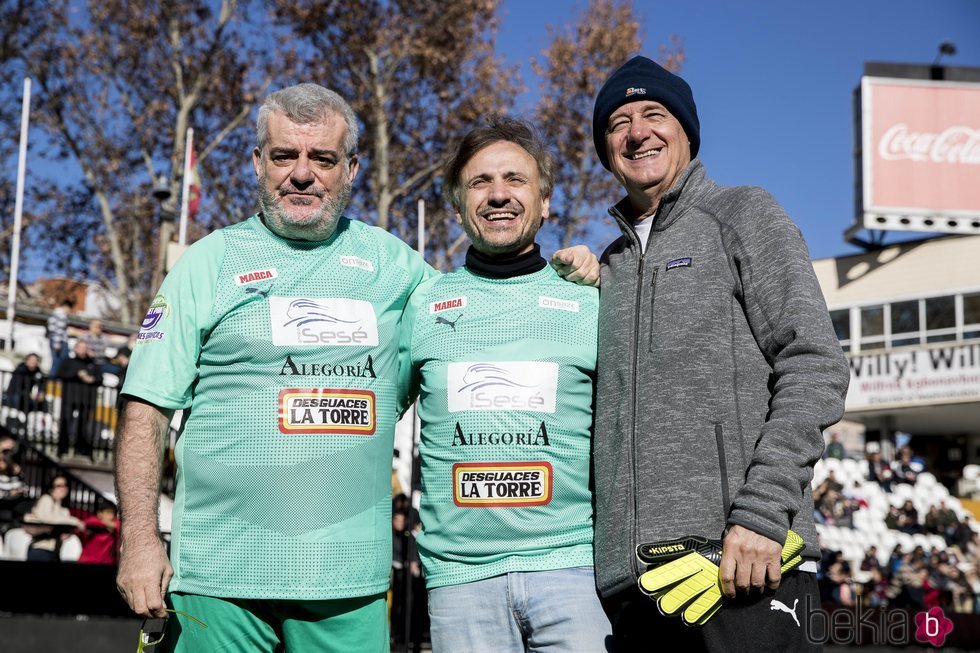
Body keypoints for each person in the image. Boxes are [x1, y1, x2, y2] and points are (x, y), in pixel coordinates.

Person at [114, 84, 596, 653]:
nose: (301, 174)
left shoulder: (400, 271)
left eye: (321, 158)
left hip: (350, 587)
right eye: (283, 156)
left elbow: (490, 304)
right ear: (257, 163)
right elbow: (145, 405)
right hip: (219, 580)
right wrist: (139, 541)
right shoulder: (206, 264)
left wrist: (578, 271)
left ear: (350, 169)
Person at [589, 56, 850, 651]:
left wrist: (760, 514)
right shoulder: (611, 264)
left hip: (742, 566)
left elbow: (814, 362)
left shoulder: (743, 214)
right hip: (634, 587)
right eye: (618, 122)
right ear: (606, 148)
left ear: (686, 130)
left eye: (654, 114)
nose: (636, 132)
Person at [397, 117, 609, 652]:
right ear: (458, 204)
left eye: (515, 180)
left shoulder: (594, 298)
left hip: (575, 571)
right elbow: (371, 422)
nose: (497, 195)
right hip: (459, 584)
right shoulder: (422, 305)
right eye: (479, 182)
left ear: (544, 202)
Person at [23, 474, 84, 561]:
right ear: (51, 489)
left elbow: (63, 528)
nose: (63, 488)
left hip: (56, 552)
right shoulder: (46, 499)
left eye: (65, 485)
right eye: (59, 486)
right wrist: (75, 521)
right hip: (40, 549)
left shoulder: (64, 510)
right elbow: (47, 519)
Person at [56, 340, 100, 456]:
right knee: (65, 421)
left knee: (84, 425)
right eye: (80, 347)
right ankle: (62, 448)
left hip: (86, 399)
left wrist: (92, 379)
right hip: (69, 397)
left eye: (85, 348)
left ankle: (81, 450)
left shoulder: (92, 364)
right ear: (75, 349)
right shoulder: (68, 361)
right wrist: (76, 373)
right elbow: (60, 374)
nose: (83, 350)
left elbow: (100, 379)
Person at [46, 298, 73, 377]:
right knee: (58, 362)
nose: (70, 311)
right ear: (66, 307)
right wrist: (56, 342)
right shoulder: (60, 315)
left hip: (57, 340)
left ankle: (55, 378)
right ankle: (53, 379)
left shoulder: (57, 314)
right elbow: (57, 330)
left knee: (59, 362)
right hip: (59, 341)